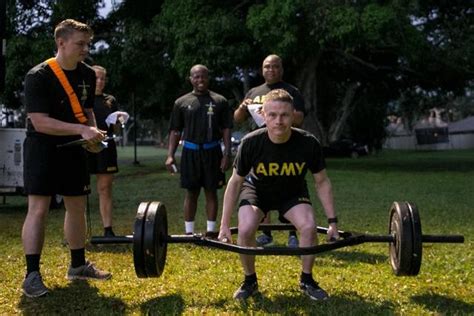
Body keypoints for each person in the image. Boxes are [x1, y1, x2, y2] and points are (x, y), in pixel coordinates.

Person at [219, 89, 339, 301]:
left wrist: (332, 223)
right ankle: (250, 281)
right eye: (272, 115)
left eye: (284, 115)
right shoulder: (251, 142)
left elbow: (322, 182)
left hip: (292, 192)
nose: (278, 121)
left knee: (309, 226)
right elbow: (235, 182)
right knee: (245, 229)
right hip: (257, 190)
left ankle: (307, 280)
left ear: (293, 115)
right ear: (263, 115)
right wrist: (224, 225)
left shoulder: (308, 143)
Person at [21, 19, 111, 298]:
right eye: (80, 44)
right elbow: (39, 122)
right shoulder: (38, 75)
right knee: (39, 209)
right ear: (61, 43)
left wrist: (92, 133)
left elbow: (86, 111)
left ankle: (78, 265)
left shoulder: (85, 73)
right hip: (42, 148)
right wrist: (81, 129)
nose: (86, 49)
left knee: (77, 206)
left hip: (74, 148)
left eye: (88, 44)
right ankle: (32, 275)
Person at [233, 54, 306, 248]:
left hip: (286, 145)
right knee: (260, 188)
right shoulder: (254, 91)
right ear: (261, 69)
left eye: (275, 67)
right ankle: (265, 233)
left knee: (289, 187)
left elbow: (299, 118)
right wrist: (243, 107)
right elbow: (237, 118)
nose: (271, 70)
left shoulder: (291, 91)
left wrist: (280, 113)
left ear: (281, 69)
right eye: (267, 67)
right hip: (259, 147)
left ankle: (292, 233)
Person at [165, 64, 233, 237]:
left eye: (203, 76)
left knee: (211, 191)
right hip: (190, 152)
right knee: (191, 192)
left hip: (213, 151)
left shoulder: (220, 101)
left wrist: (226, 153)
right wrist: (170, 156)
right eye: (196, 76)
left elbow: (226, 128)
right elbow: (175, 130)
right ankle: (189, 233)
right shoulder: (181, 102)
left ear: (208, 78)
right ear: (190, 79)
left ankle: (211, 232)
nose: (200, 79)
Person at [88, 65, 123, 237]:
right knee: (78, 191)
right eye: (96, 78)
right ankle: (76, 232)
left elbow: (116, 130)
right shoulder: (81, 98)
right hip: (85, 146)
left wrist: (118, 123)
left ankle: (108, 230)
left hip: (106, 147)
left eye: (103, 78)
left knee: (105, 187)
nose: (100, 82)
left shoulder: (110, 100)